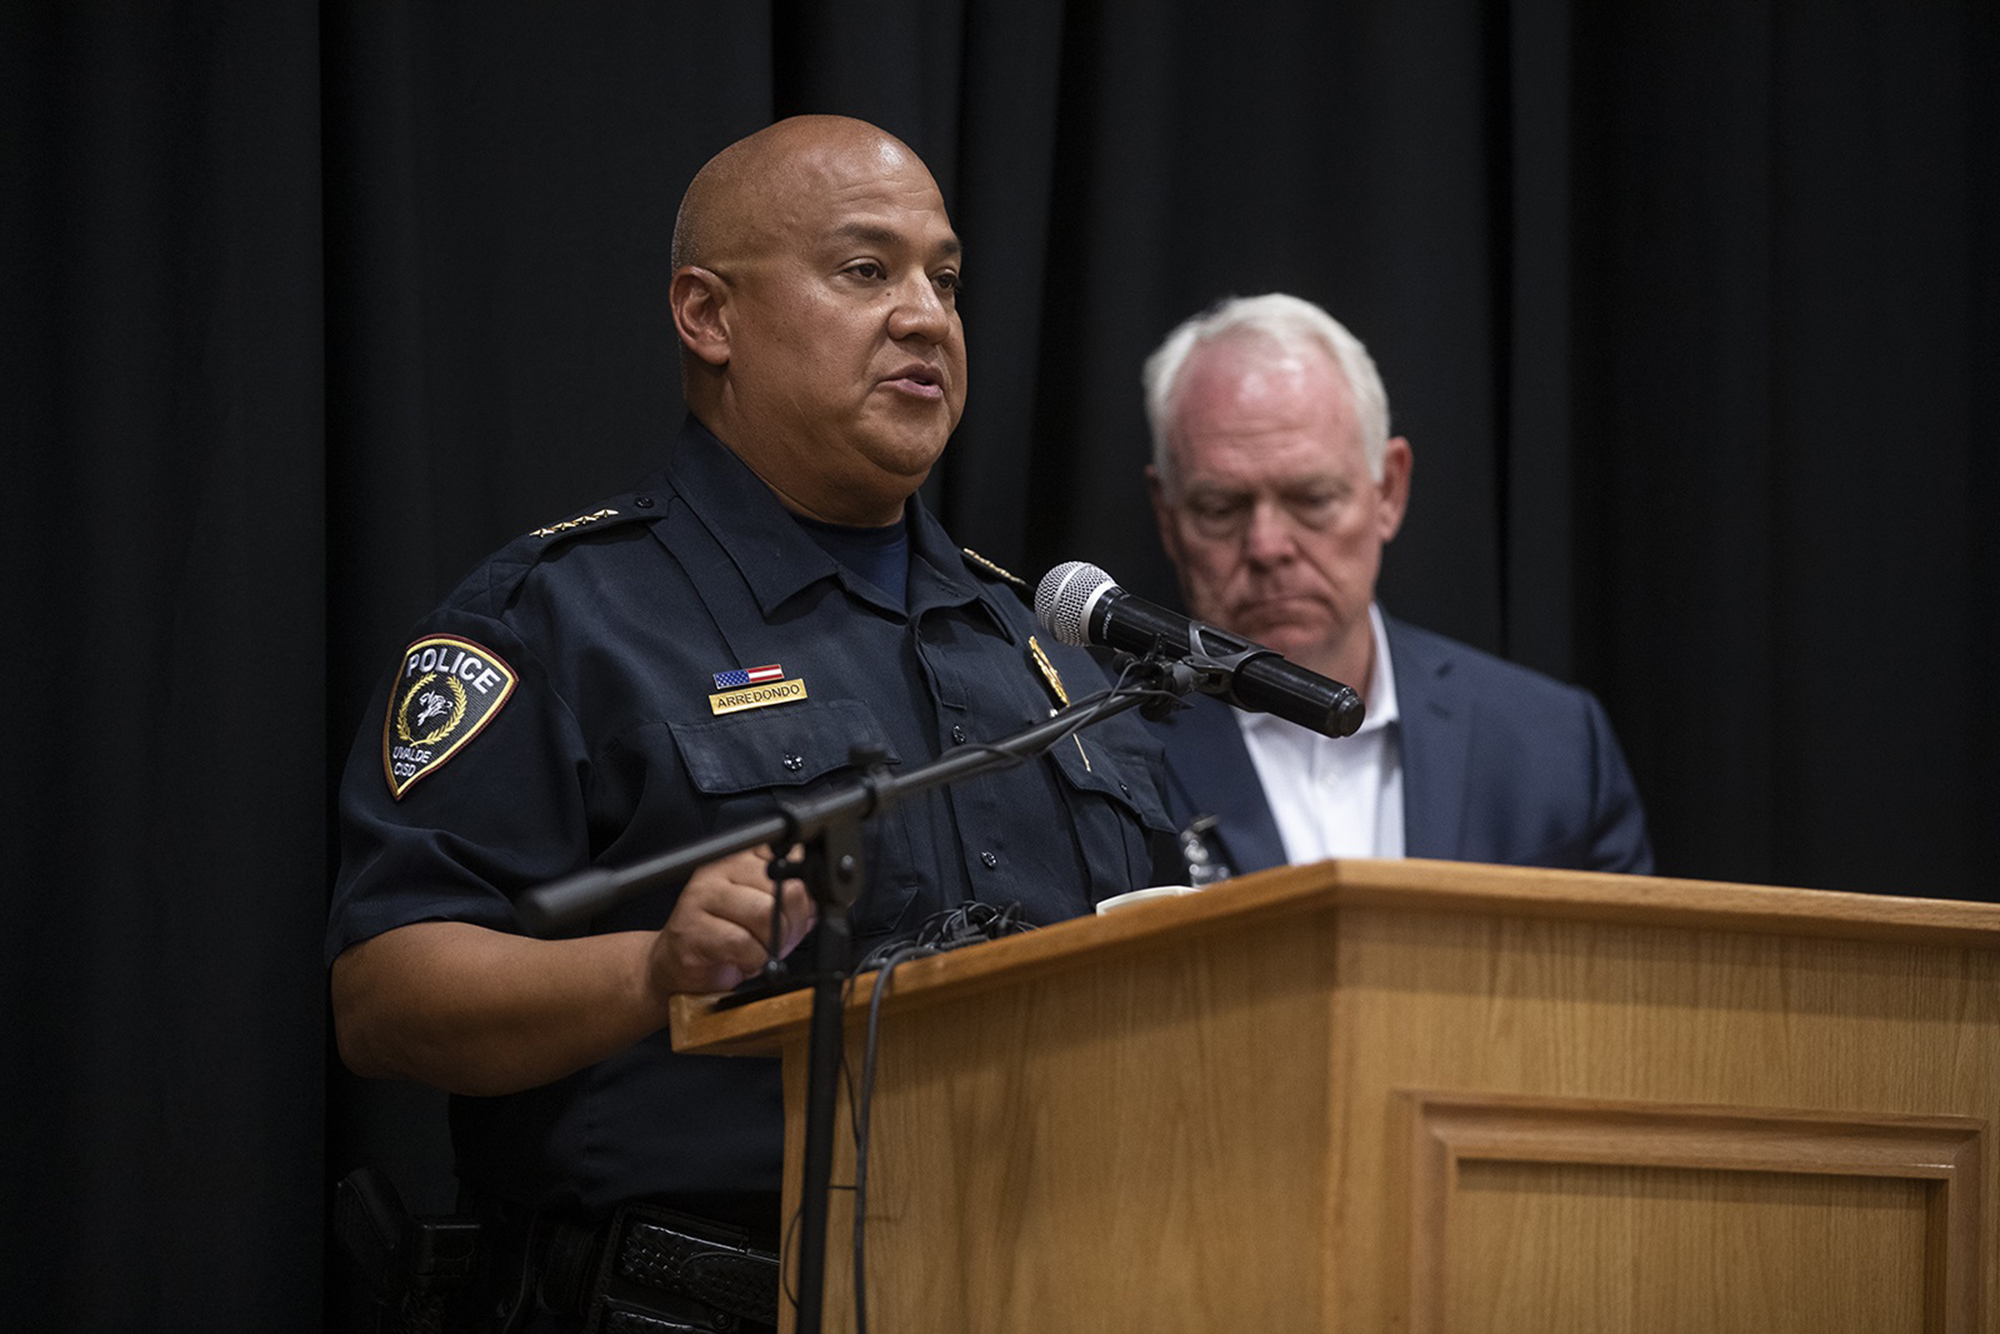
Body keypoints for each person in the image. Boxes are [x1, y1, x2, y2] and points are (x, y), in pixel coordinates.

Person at [326, 114, 1173, 1332]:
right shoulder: (564, 618)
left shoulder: (1034, 643)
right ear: (706, 315)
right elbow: (385, 993)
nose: (927, 315)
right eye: (865, 270)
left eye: (943, 278)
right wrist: (656, 969)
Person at [1140, 293, 1652, 878]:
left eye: (1312, 500)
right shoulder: (1093, 751)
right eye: (1221, 507)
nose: (1267, 546)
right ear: (1167, 515)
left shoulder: (1553, 748)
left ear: (1389, 491)